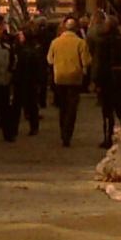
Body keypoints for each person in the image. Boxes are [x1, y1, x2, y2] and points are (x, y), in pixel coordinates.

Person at [47, 15, 92, 148]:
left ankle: (63, 132)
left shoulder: (55, 42)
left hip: (59, 78)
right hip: (75, 78)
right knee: (72, 109)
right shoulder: (80, 43)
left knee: (62, 107)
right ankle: (68, 134)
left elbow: (49, 60)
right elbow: (87, 61)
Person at [92, 14, 121, 148]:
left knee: (107, 111)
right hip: (120, 77)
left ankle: (108, 137)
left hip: (106, 79)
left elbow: (99, 63)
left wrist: (95, 81)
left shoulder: (102, 41)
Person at [12, 18, 47, 137]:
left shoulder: (28, 49)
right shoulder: (27, 48)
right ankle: (18, 128)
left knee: (27, 105)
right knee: (23, 105)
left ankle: (30, 127)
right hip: (24, 79)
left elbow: (37, 65)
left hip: (26, 79)